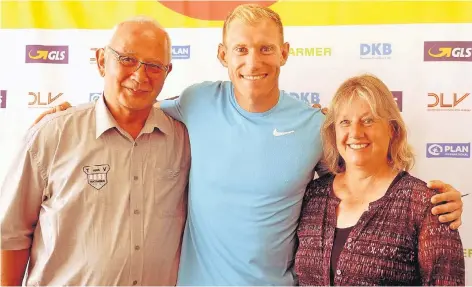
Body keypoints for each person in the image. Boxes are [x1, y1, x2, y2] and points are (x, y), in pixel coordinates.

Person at [30, 4, 464, 285]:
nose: (252, 61)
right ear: (223, 56)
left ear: (285, 53)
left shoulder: (316, 125)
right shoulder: (196, 101)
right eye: (240, 49)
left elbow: (359, 180)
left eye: (264, 49)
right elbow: (131, 107)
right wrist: (71, 118)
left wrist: (429, 203)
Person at [0, 17, 190, 286]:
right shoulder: (53, 134)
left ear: (167, 72)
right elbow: (11, 234)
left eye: (153, 66)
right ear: (102, 61)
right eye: (127, 59)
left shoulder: (185, 138)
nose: (139, 75)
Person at [295, 74, 465, 286]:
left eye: (368, 121)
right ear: (334, 132)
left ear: (392, 130)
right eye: (345, 122)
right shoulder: (313, 195)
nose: (355, 133)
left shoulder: (425, 205)